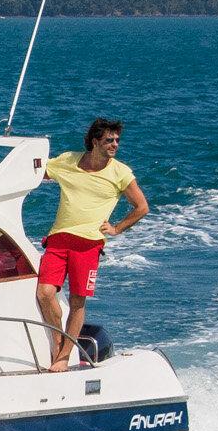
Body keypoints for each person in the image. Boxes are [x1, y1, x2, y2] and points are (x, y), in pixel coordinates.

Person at [37, 117, 149, 372]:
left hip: (88, 245)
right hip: (58, 239)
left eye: (117, 140)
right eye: (109, 140)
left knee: (77, 301)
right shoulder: (68, 161)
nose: (115, 145)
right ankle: (59, 342)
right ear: (95, 142)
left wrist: (117, 228)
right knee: (45, 292)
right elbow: (36, 173)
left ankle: (64, 356)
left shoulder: (120, 172)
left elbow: (141, 207)